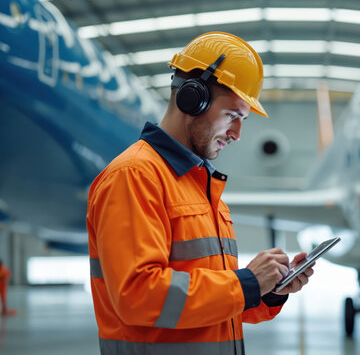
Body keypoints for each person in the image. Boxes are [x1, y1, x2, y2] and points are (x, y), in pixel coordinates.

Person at [87, 32, 314, 355]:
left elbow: (211, 307)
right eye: (233, 116)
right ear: (193, 99)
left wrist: (267, 290)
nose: (237, 134)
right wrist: (247, 282)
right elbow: (138, 297)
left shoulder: (200, 186)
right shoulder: (134, 176)